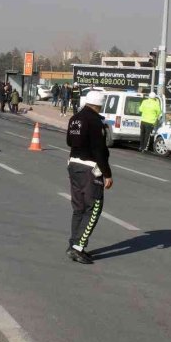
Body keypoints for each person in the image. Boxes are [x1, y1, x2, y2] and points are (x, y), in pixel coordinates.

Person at [65, 90, 113, 265]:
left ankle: (74, 243)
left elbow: (69, 142)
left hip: (73, 164)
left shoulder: (75, 118)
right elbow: (99, 150)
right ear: (100, 104)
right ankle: (78, 247)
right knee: (94, 208)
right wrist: (107, 174)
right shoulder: (95, 122)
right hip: (90, 168)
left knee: (78, 207)